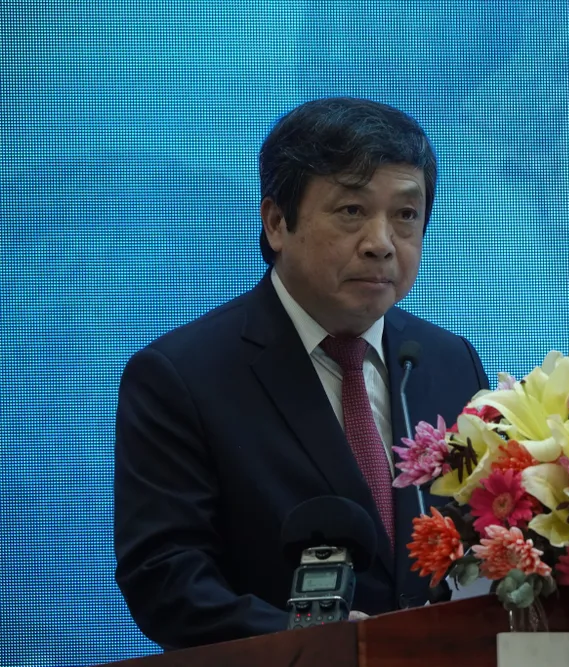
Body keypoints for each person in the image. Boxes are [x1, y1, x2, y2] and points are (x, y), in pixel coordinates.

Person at [113, 97, 489, 650]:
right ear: (276, 222)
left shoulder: (449, 360)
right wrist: (310, 644)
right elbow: (166, 577)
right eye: (351, 211)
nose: (381, 243)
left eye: (406, 215)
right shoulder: (181, 376)